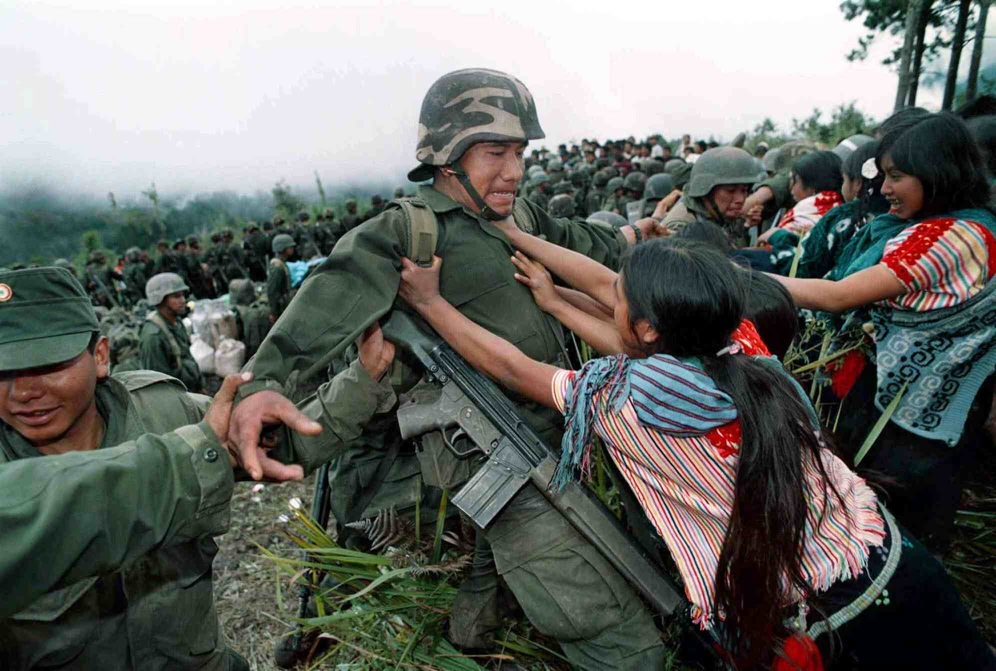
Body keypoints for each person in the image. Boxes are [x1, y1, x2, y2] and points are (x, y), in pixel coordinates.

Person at [397, 235, 996, 671]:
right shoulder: (743, 346)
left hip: (828, 623)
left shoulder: (618, 399)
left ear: (652, 327)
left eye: (622, 299)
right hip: (896, 563)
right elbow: (606, 286)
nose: (612, 297)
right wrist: (513, 237)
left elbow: (512, 366)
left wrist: (428, 303)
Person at [228, 68, 663, 669]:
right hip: (490, 452)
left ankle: (467, 642)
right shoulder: (408, 231)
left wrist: (643, 235)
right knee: (605, 623)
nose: (514, 170)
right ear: (448, 156)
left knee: (521, 571)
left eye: (520, 152)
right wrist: (262, 386)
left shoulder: (518, 217)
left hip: (559, 436)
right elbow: (320, 309)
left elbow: (584, 244)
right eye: (495, 152)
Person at [0, 265, 403, 669]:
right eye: (2, 373)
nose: (24, 393)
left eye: (48, 367)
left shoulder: (163, 412)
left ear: (100, 356)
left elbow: (276, 445)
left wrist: (363, 379)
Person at [772, 112, 996, 551]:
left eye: (896, 176)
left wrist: (752, 281)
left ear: (938, 173)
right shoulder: (965, 226)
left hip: (913, 410)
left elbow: (838, 296)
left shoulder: (949, 236)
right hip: (917, 402)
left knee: (899, 519)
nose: (884, 188)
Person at [793, 140, 890, 280]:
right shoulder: (903, 221)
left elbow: (803, 266)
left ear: (857, 183)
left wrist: (779, 238)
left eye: (844, 179)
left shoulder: (840, 217)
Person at [661, 146, 766, 247]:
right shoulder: (681, 228)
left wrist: (745, 225)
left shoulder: (714, 214)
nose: (741, 199)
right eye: (731, 191)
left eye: (744, 190)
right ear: (706, 191)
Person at [138, 272, 204, 393]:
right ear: (161, 299)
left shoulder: (177, 322)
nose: (183, 300)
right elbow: (157, 385)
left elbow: (187, 357)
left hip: (190, 390)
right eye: (176, 296)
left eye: (183, 295)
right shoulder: (153, 336)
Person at [267, 233, 296, 323]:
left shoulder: (282, 263)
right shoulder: (277, 267)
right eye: (289, 247)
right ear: (282, 248)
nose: (292, 248)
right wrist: (273, 313)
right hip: (280, 308)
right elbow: (272, 291)